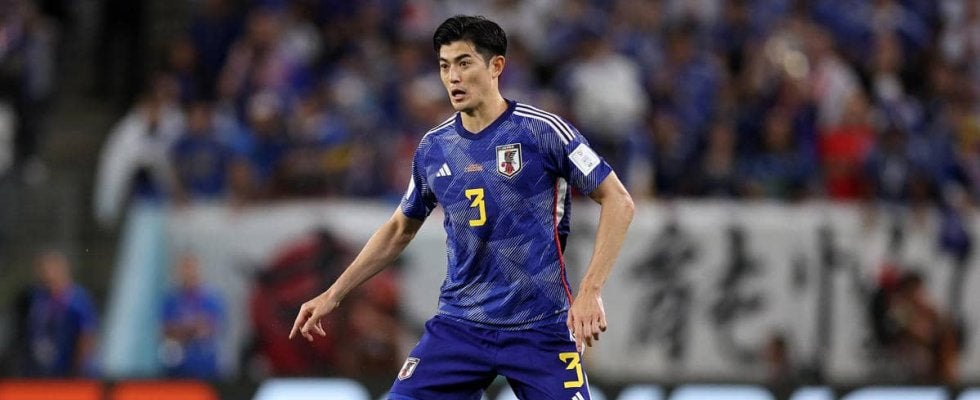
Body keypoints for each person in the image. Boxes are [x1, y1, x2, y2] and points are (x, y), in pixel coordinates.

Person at [290, 15, 635, 399]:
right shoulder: (434, 148)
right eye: (444, 66)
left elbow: (618, 201)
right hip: (460, 326)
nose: (452, 77)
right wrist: (333, 294)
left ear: (496, 66)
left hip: (539, 325)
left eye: (464, 63)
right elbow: (400, 228)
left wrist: (590, 291)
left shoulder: (542, 131)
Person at [23, 250, 99, 377]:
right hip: (45, 371)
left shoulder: (77, 301)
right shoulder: (38, 298)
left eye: (50, 270)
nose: (45, 276)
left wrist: (77, 367)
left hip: (74, 373)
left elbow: (87, 336)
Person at [159, 252, 225, 379]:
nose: (188, 273)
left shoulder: (211, 299)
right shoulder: (170, 300)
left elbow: (207, 329)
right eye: (184, 268)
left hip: (206, 367)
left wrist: (182, 328)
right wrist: (191, 327)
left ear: (198, 270)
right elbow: (165, 330)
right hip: (176, 369)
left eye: (191, 268)